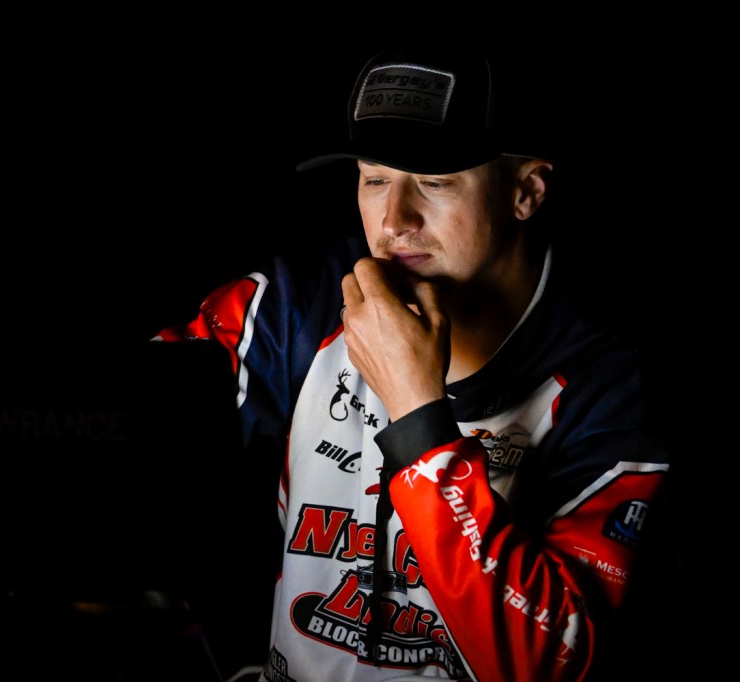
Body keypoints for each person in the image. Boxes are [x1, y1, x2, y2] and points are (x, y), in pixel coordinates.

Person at [150, 45, 673, 681]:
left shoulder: (612, 388)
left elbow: (550, 663)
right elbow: (116, 436)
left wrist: (417, 414)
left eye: (435, 181)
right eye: (375, 179)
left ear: (525, 191)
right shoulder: (293, 306)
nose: (394, 220)